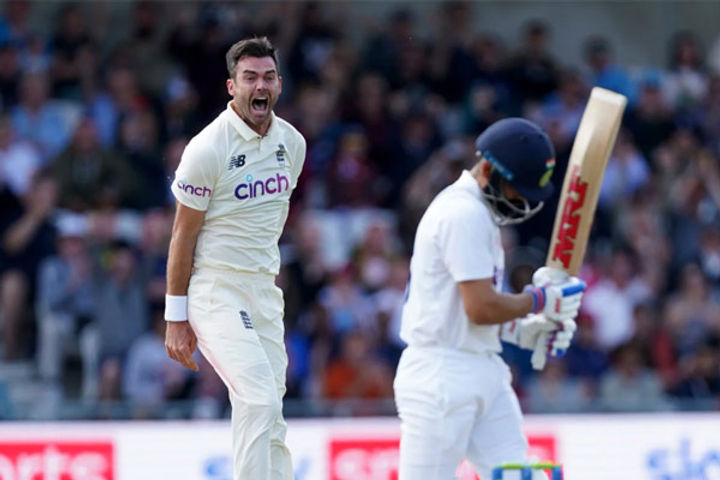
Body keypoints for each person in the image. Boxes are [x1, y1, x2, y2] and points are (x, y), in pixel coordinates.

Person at [394, 118, 585, 480]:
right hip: (441, 377)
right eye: (518, 189)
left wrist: (521, 331)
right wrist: (539, 301)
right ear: (490, 170)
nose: (522, 200)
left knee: (518, 474)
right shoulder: (462, 213)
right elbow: (480, 307)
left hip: (482, 369)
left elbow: (464, 311)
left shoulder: (478, 214)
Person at [163, 37, 305, 480]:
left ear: (279, 84)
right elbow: (182, 237)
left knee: (271, 411)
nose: (258, 86)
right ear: (231, 86)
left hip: (264, 291)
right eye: (249, 78)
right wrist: (176, 317)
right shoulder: (207, 148)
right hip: (215, 289)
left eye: (267, 77)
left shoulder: (293, 145)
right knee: (258, 398)